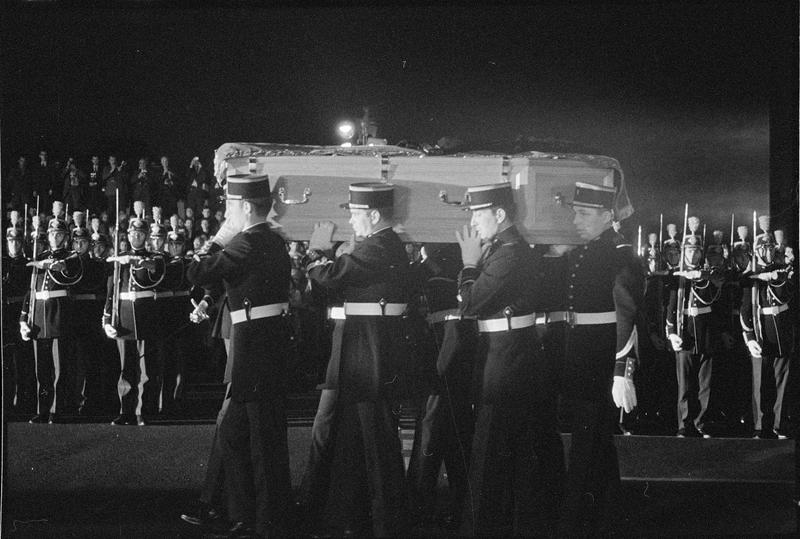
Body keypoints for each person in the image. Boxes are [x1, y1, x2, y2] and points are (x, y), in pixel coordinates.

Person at [301, 182, 411, 537]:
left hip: (371, 356)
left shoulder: (379, 246)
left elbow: (331, 275)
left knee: (377, 445)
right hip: (361, 354)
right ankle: (356, 518)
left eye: (355, 212)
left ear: (375, 215)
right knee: (356, 441)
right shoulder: (377, 246)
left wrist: (317, 250)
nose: (350, 219)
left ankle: (386, 524)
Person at [186, 173, 293, 537]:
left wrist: (217, 237)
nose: (228, 213)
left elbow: (197, 269)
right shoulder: (269, 241)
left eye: (232, 206)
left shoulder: (249, 242)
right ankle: (246, 512)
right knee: (237, 433)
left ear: (246, 207)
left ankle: (265, 520)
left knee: (260, 439)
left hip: (256, 349)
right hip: (261, 347)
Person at [454, 183, 563, 536]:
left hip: (507, 361)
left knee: (490, 453)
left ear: (499, 215)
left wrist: (468, 265)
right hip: (512, 356)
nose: (472, 221)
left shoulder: (510, 253)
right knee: (518, 453)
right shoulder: (504, 250)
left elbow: (470, 303)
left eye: (477, 213)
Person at [558, 182, 642, 535]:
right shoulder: (584, 251)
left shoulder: (621, 254)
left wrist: (622, 370)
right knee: (595, 442)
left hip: (601, 360)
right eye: (575, 212)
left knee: (586, 442)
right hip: (580, 355)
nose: (576, 219)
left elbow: (628, 313)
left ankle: (576, 521)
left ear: (608, 216)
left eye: (584, 213)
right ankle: (608, 514)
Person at [406, 243, 478, 531]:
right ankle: (460, 505)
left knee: (434, 424)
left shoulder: (441, 257)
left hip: (448, 343)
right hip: (449, 342)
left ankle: (420, 506)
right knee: (453, 428)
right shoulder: (449, 255)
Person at [102, 216, 167, 426]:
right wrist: (106, 320)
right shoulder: (118, 259)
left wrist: (137, 261)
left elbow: (155, 271)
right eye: (132, 233)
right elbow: (111, 293)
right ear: (127, 235)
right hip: (124, 317)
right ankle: (126, 411)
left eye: (140, 233)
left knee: (147, 369)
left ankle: (144, 411)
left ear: (146, 236)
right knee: (126, 368)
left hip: (146, 316)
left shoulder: (154, 257)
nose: (136, 236)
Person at [19, 218, 83, 423]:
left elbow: (73, 275)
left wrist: (58, 265)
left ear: (65, 237)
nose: (55, 237)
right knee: (42, 368)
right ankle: (44, 409)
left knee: (60, 367)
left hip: (59, 315)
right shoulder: (40, 256)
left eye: (59, 234)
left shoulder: (71, 256)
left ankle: (58, 409)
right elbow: (31, 291)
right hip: (39, 315)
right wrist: (23, 317)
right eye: (52, 234)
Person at [666, 216, 722, 438]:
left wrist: (699, 275)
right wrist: (671, 333)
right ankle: (684, 423)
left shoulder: (709, 274)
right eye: (688, 251)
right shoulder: (677, 277)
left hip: (705, 332)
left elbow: (715, 287)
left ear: (700, 253)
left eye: (696, 251)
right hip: (685, 332)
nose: (692, 255)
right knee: (685, 385)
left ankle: (702, 423)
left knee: (705, 384)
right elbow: (670, 309)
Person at [741, 217, 796, 439]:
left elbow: (787, 291)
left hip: (781, 331)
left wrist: (787, 266)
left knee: (782, 381)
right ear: (756, 251)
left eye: (771, 248)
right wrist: (749, 337)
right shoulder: (750, 277)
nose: (768, 252)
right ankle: (759, 425)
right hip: (761, 331)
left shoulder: (784, 270)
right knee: (760, 382)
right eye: (763, 249)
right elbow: (745, 310)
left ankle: (779, 425)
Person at [3, 227, 35, 413]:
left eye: (17, 241)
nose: (14, 244)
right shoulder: (4, 263)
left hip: (20, 313)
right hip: (5, 315)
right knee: (7, 361)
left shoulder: (26, 264)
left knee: (23, 360)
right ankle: (6, 402)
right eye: (11, 241)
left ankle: (24, 403)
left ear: (22, 243)